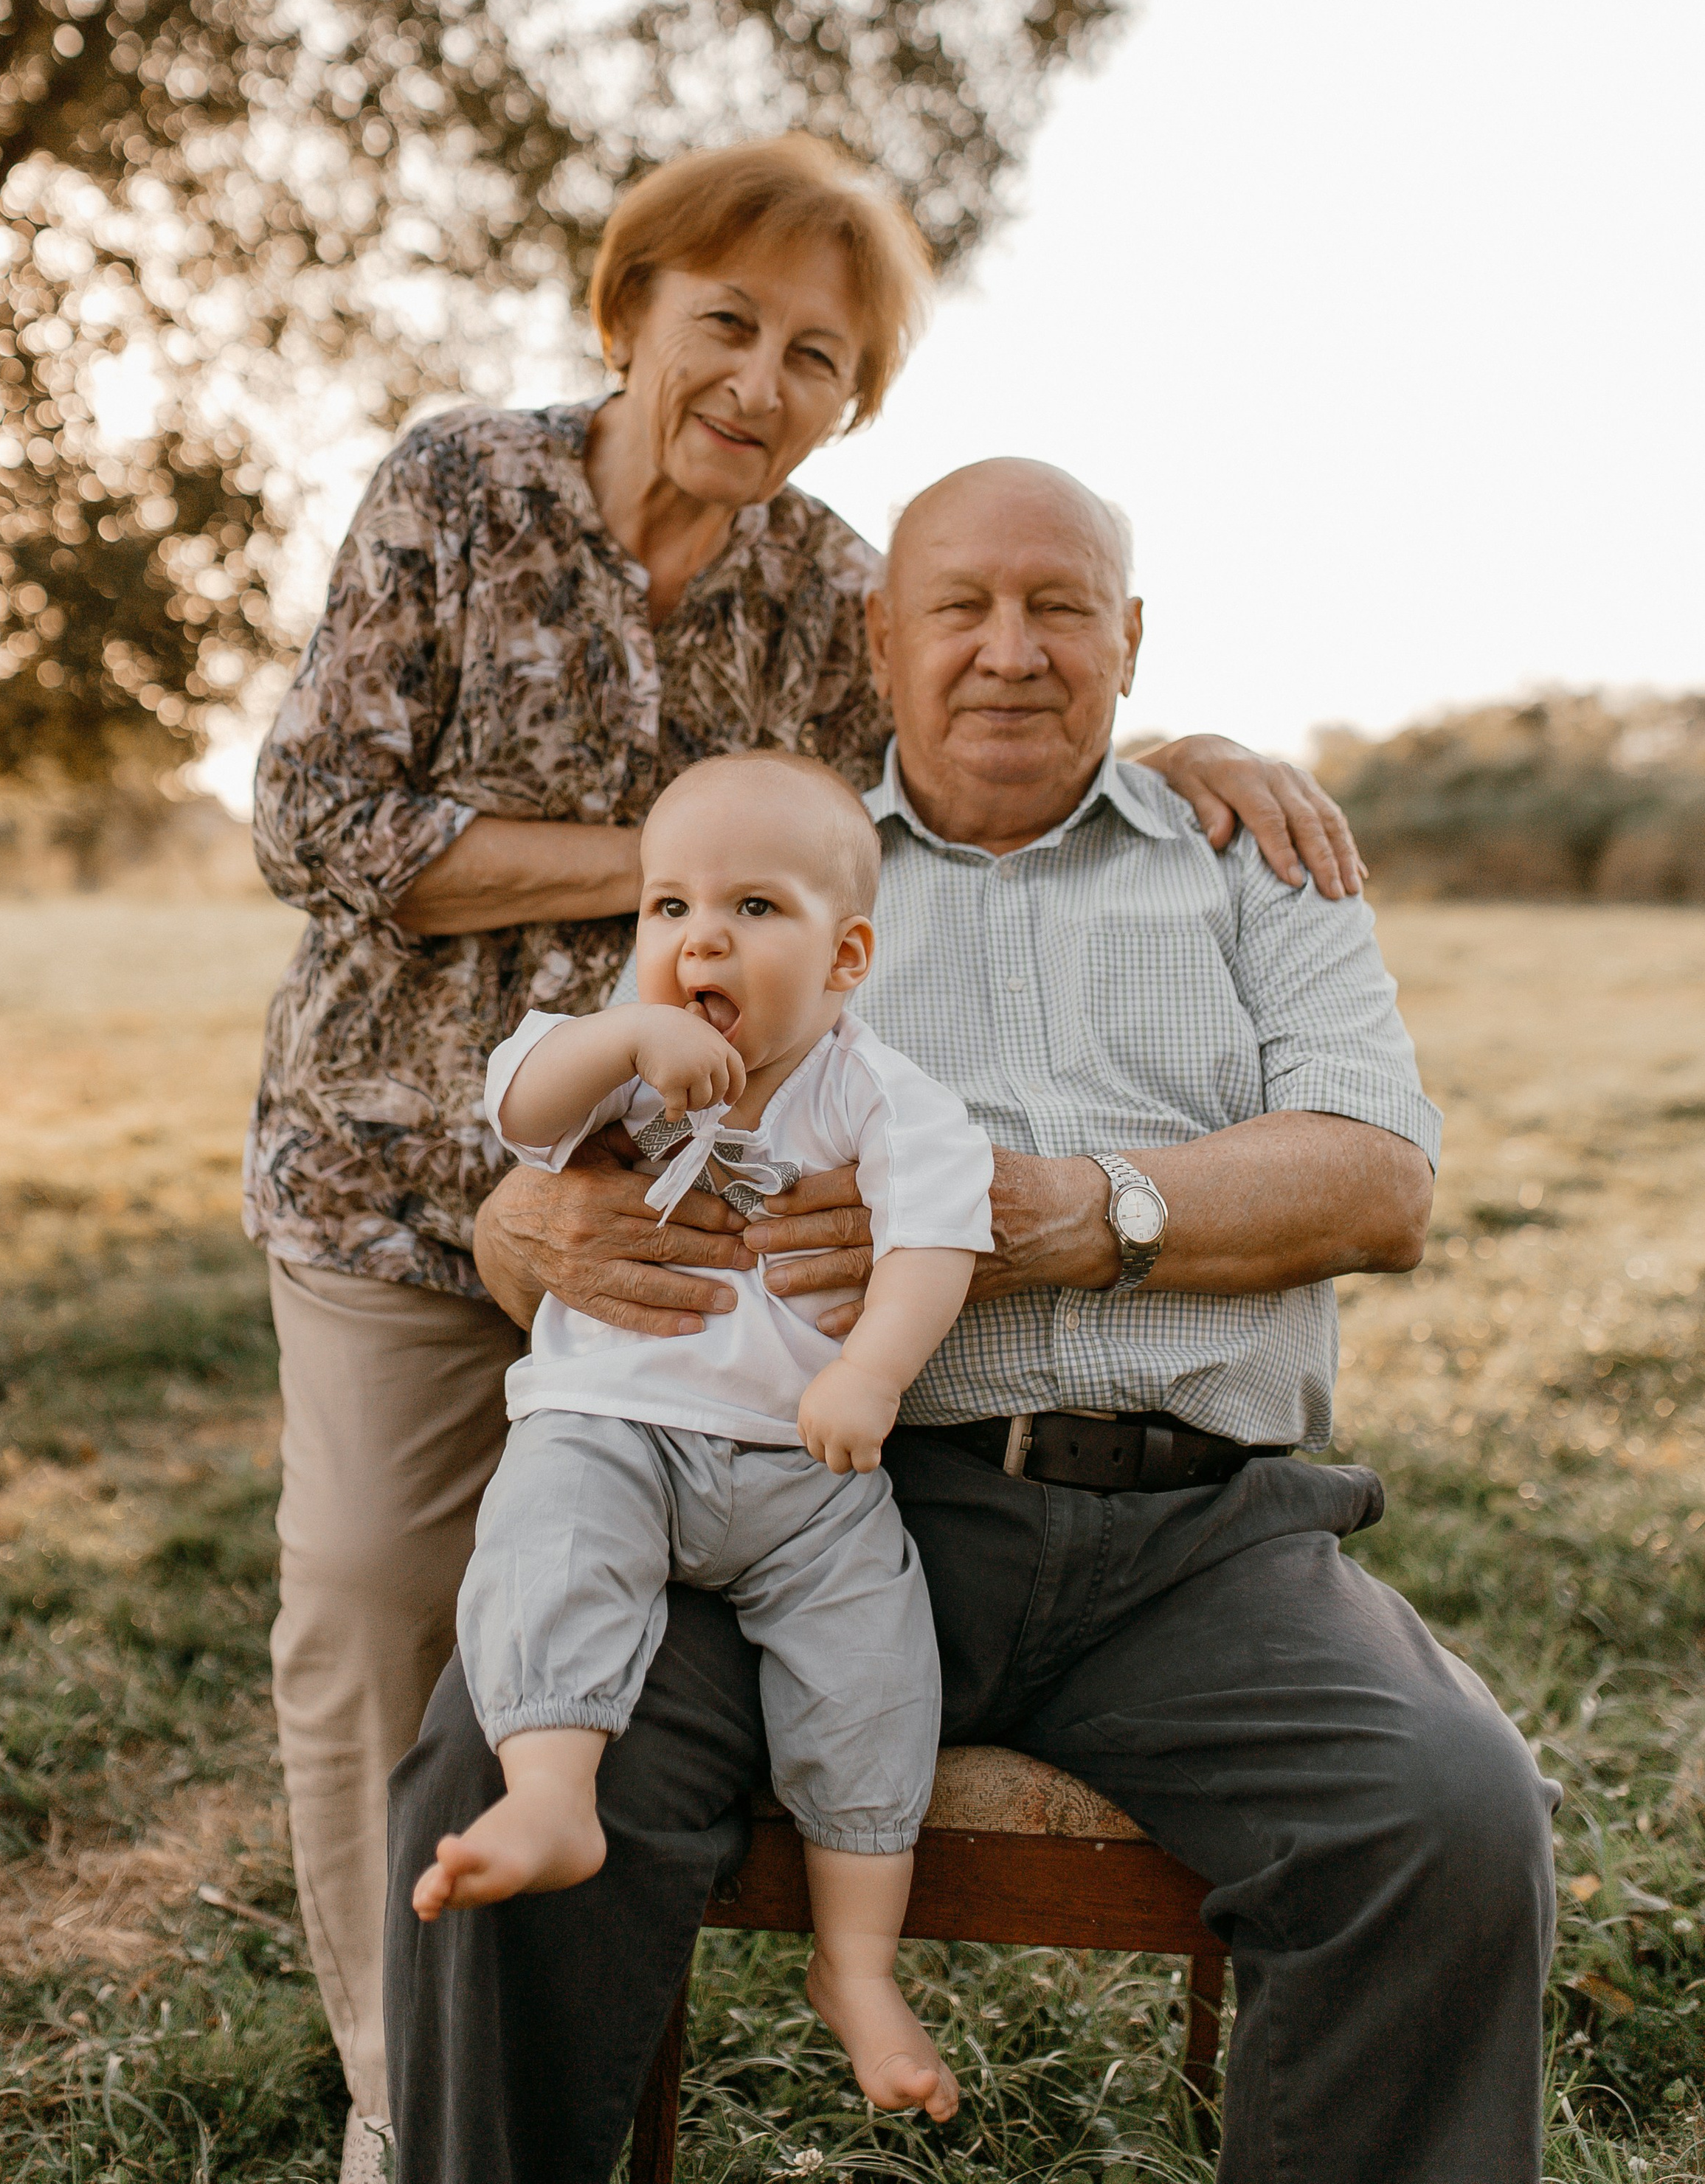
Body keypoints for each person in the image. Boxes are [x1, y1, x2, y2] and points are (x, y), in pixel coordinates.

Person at [246, 133, 1370, 2179]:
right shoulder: (462, 489)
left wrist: (1188, 758)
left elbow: (1005, 690)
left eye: (821, 357)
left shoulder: (829, 584)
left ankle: (591, 2006)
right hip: (415, 1166)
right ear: (634, 312)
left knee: (618, 1602)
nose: (764, 382)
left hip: (703, 1201)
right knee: (385, 1607)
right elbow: (322, 827)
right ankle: (401, 2093)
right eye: (729, 326)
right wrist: (687, 874)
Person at [383, 457, 1560, 2184]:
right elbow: (557, 1149)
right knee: (503, 1754)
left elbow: (1376, 1181)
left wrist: (1069, 1215)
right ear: (880, 636)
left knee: (1444, 1821)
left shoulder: (1256, 862)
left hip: (1196, 1542)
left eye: (1059, 606)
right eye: (958, 606)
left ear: (1131, 642)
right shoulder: (770, 875)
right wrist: (527, 1227)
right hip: (811, 1507)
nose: (1007, 651)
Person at [415, 751, 992, 2122]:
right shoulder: (615, 1052)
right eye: (667, 907)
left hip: (805, 1471)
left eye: (752, 907)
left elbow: (934, 1234)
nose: (699, 940)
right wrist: (622, 1040)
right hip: (613, 1428)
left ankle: (856, 1963)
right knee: (548, 1555)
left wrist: (874, 1370)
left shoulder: (874, 1090)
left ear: (846, 954)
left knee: (875, 1678)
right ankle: (551, 1790)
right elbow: (519, 1105)